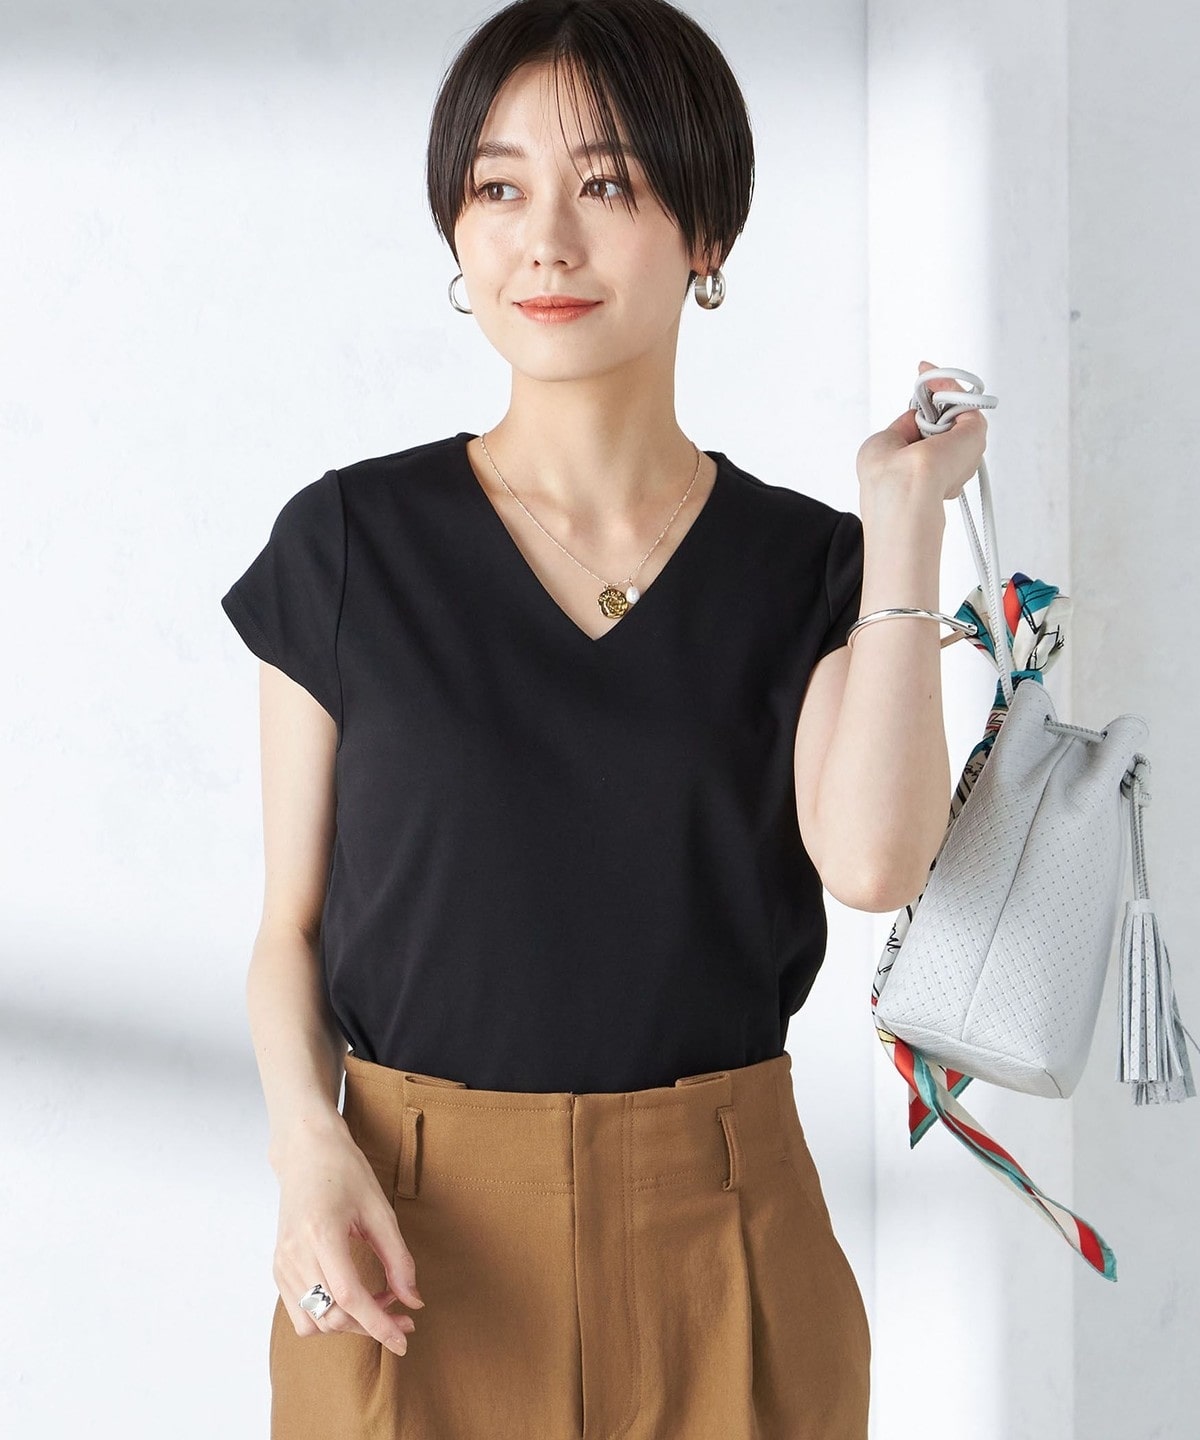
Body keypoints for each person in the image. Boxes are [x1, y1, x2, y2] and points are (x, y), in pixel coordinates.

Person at [219, 1, 987, 1435]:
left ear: (709, 234)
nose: (547, 242)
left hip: (725, 1240)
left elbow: (877, 866)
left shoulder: (807, 569)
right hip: (402, 1236)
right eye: (500, 188)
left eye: (609, 185)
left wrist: (901, 528)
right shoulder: (348, 547)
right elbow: (290, 931)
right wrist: (306, 1151)